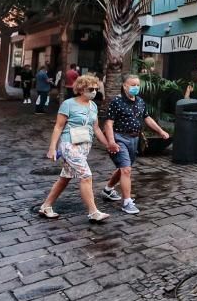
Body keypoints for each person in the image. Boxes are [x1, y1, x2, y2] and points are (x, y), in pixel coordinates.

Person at [37, 75, 119, 223]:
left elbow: (96, 129)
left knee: (65, 178)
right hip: (69, 144)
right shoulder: (68, 104)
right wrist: (52, 148)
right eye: (91, 89)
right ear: (81, 89)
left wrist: (108, 144)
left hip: (84, 145)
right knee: (86, 176)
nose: (94, 92)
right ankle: (93, 212)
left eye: (96, 89)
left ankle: (46, 206)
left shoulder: (93, 106)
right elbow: (58, 127)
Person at [102, 74, 170, 215]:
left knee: (124, 168)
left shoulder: (140, 101)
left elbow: (147, 118)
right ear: (125, 86)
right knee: (126, 170)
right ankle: (127, 202)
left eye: (137, 85)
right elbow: (108, 123)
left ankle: (108, 190)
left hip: (134, 139)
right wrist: (111, 141)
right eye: (132, 85)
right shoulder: (116, 102)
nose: (136, 88)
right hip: (119, 137)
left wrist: (160, 131)